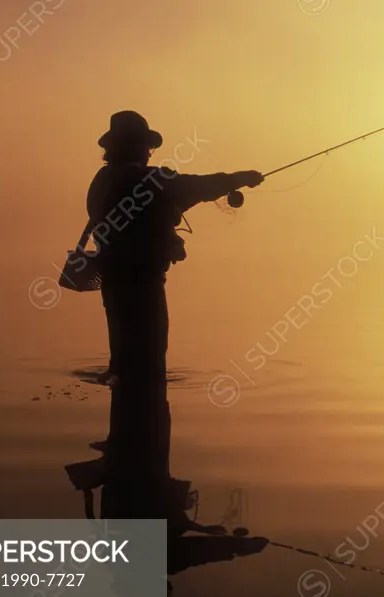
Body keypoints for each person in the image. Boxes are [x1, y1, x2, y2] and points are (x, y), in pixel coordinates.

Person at [85, 110, 263, 520]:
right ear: (137, 146)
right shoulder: (146, 180)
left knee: (125, 365)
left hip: (113, 284)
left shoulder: (103, 181)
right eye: (146, 145)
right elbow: (197, 186)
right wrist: (243, 177)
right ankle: (135, 438)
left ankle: (124, 433)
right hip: (143, 285)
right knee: (147, 370)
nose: (150, 151)